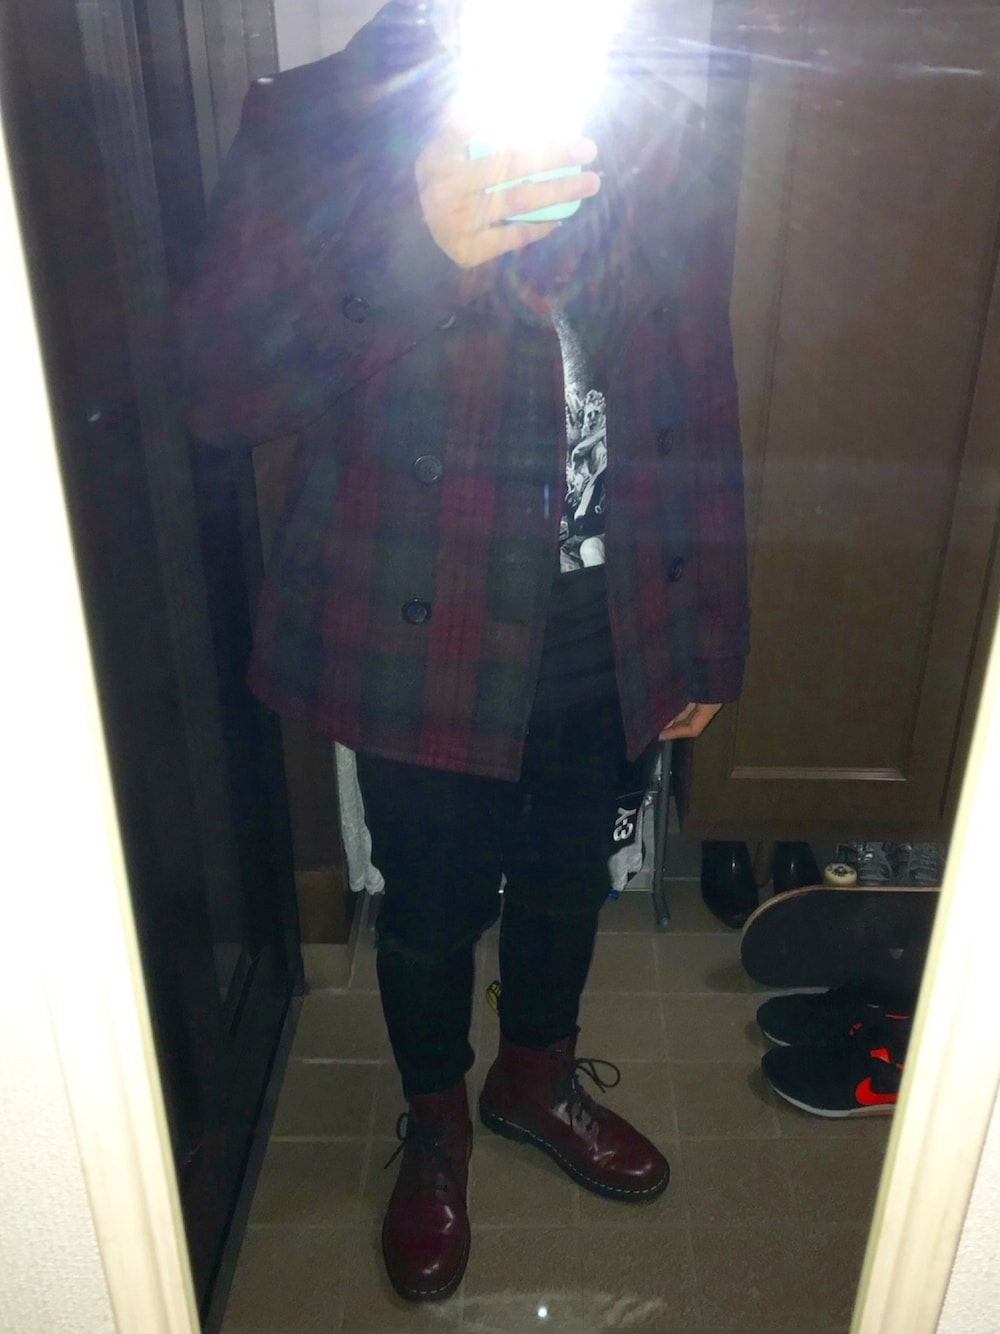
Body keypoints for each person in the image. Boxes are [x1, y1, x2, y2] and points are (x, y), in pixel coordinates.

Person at [176, 0, 749, 1302]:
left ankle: (533, 1078)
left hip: (608, 615)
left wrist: (711, 628)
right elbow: (218, 389)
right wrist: (413, 245)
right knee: (430, 907)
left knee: (567, 879)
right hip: (421, 626)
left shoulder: (664, 121)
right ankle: (436, 1120)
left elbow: (700, 384)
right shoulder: (319, 122)